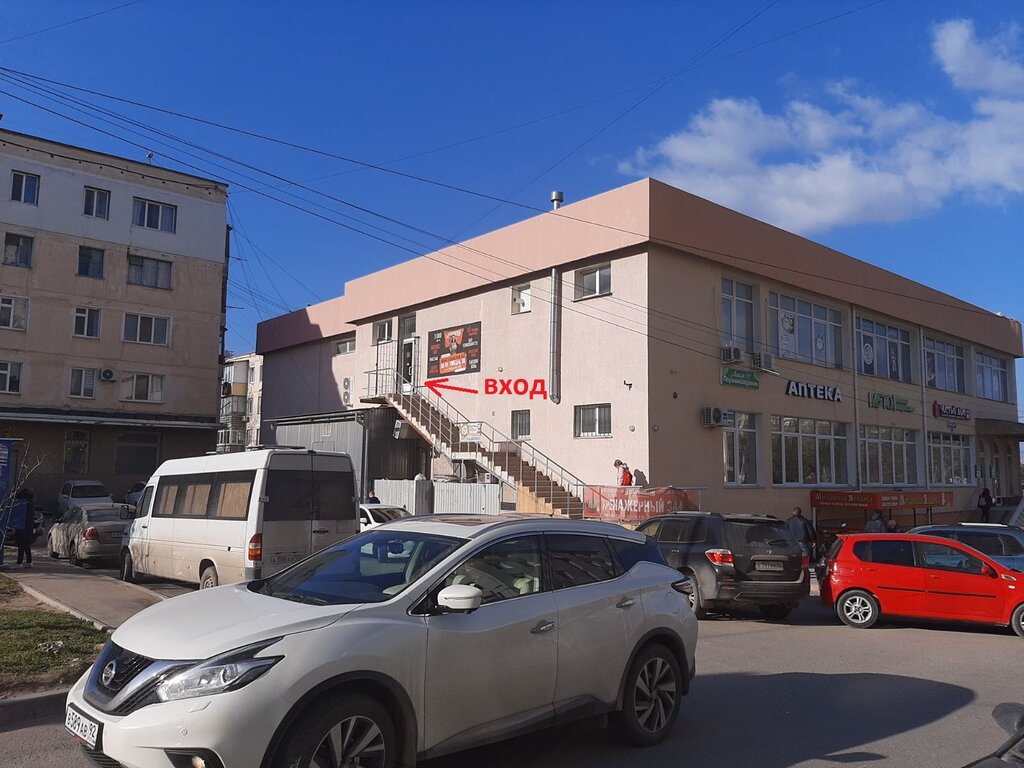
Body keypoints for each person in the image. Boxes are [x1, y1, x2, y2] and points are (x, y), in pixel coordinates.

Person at [10, 488, 33, 568]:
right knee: (26, 544)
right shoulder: (30, 502)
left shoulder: (21, 503)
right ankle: (29, 561)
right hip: (28, 526)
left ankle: (19, 562)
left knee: (20, 544)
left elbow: (17, 514)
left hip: (21, 526)